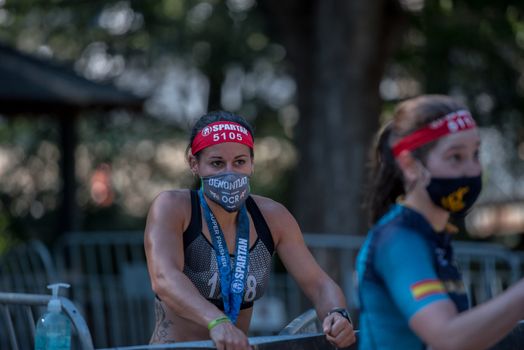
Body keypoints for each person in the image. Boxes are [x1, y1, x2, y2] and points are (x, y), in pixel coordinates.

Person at [144, 110, 355, 349]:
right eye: (216, 163)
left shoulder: (273, 216)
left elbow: (319, 284)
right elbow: (164, 278)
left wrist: (338, 315)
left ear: (252, 164)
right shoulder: (173, 207)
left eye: (239, 162)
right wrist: (217, 321)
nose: (229, 172)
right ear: (195, 164)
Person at [356, 94, 524, 350]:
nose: (472, 170)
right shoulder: (398, 239)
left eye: (476, 154)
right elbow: (447, 337)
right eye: (455, 157)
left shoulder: (432, 235)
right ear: (410, 165)